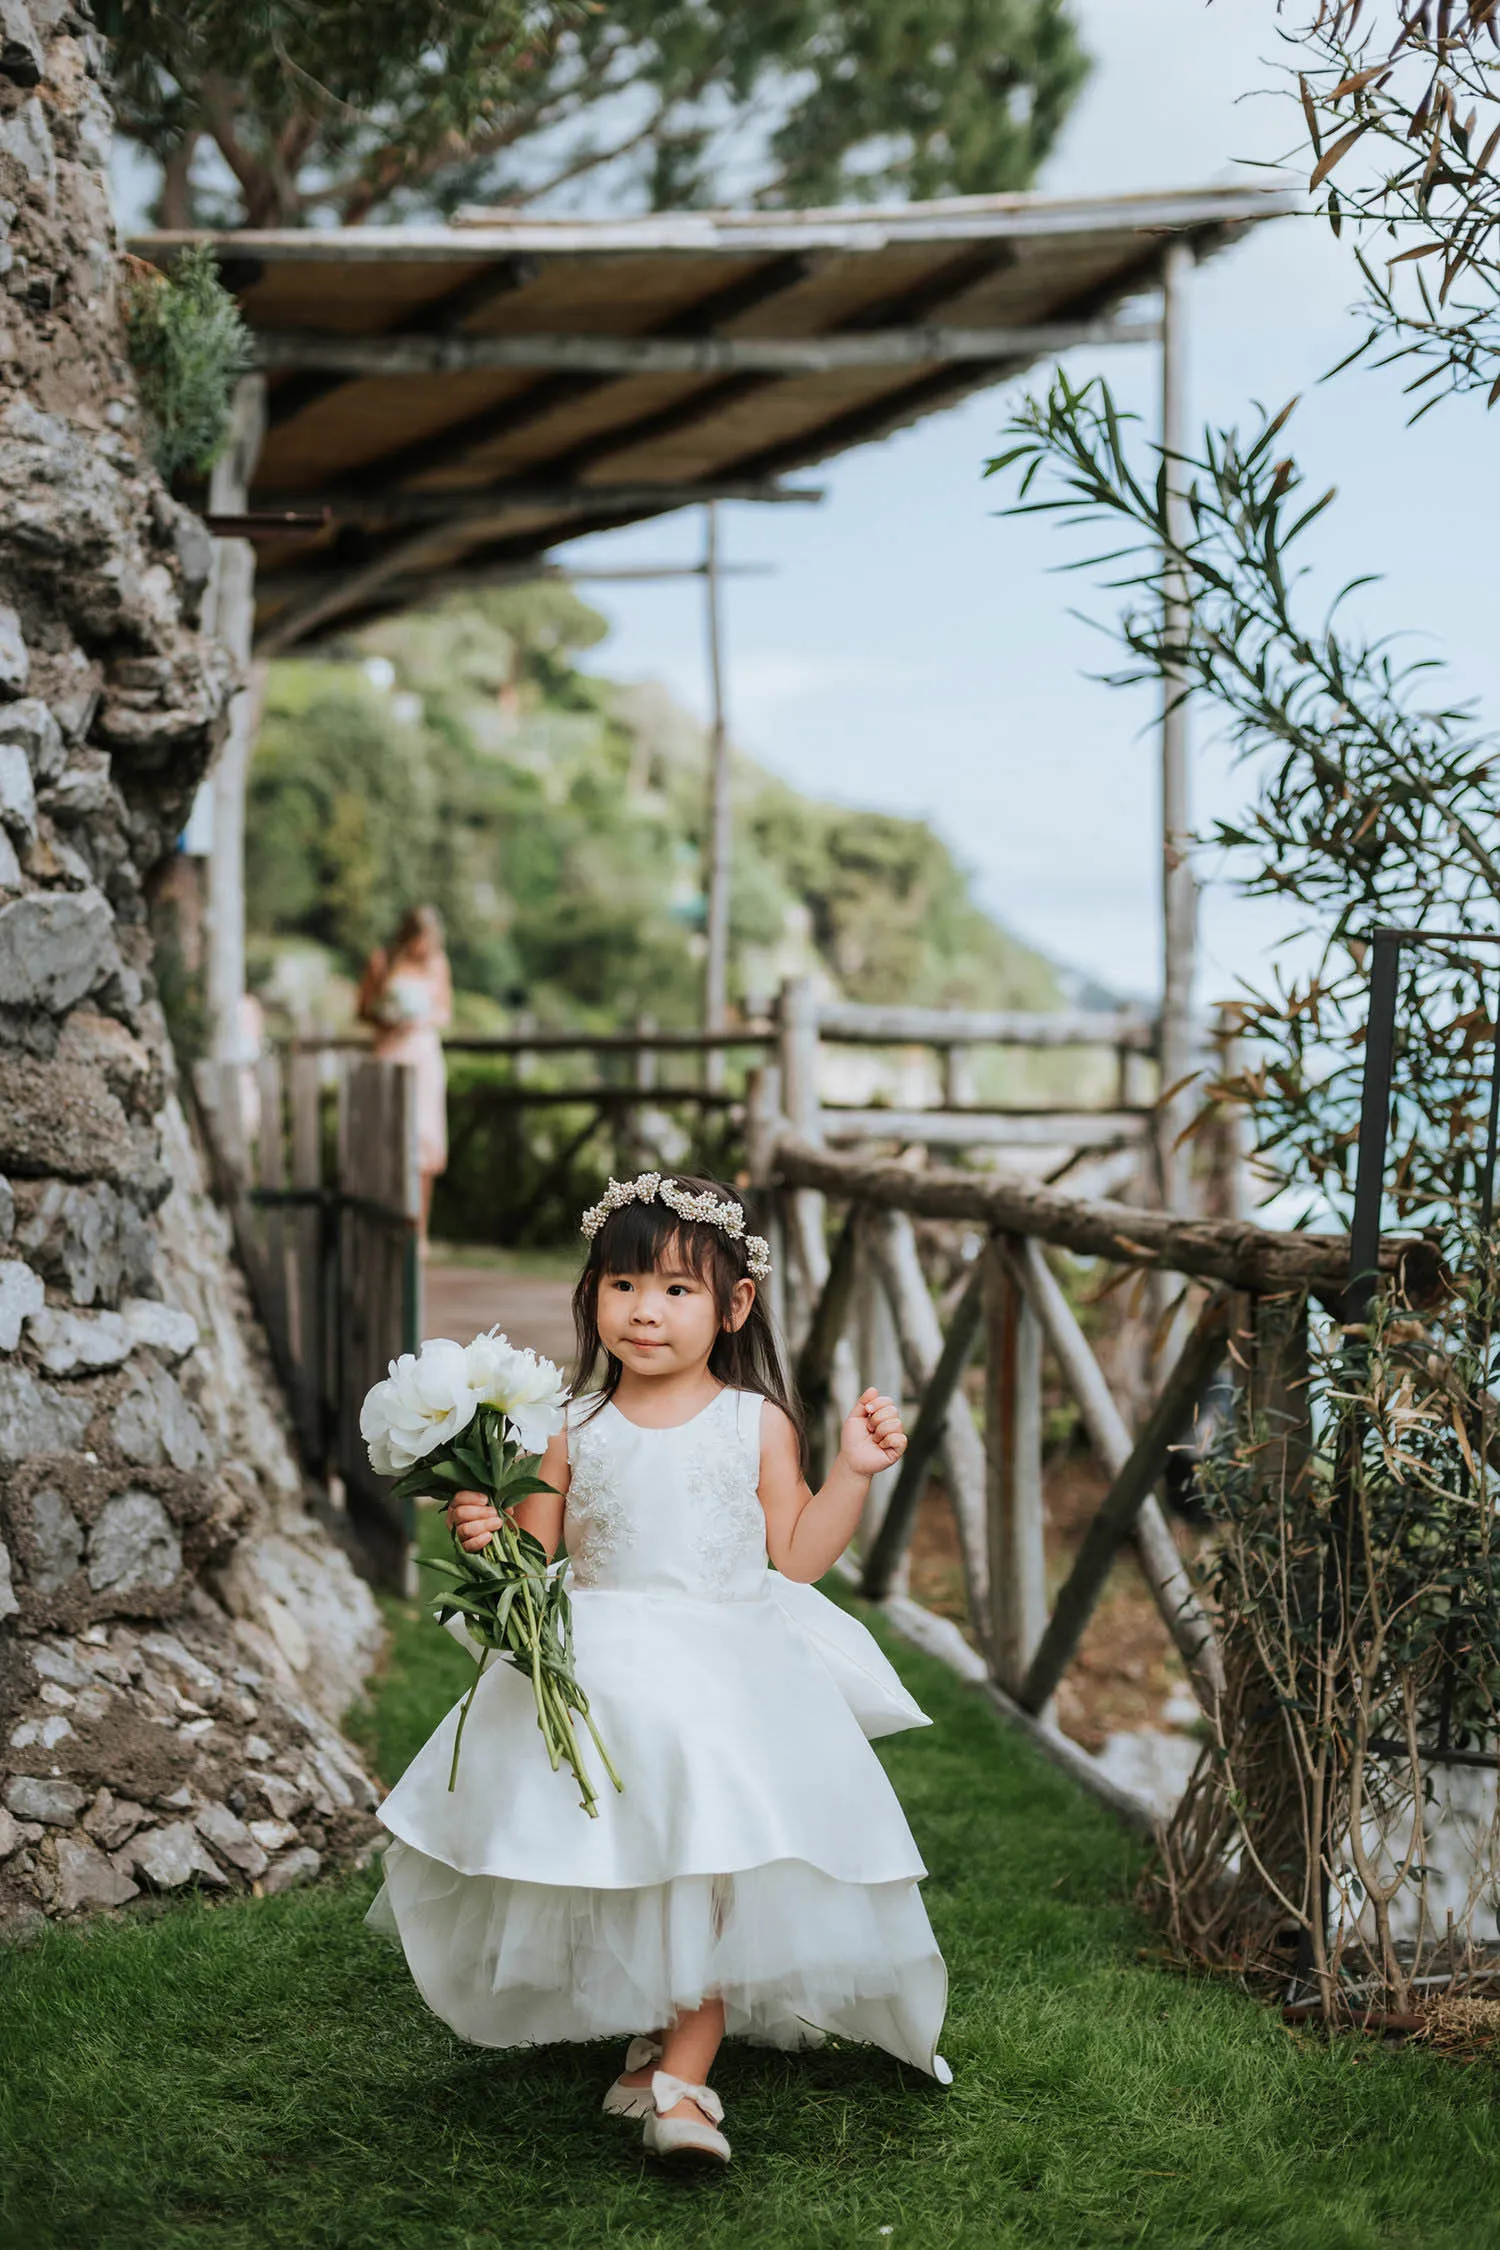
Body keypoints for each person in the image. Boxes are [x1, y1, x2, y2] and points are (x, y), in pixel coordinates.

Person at [366, 1172, 950, 2170]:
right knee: (637, 1853)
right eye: (624, 1284)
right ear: (592, 1294)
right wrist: (482, 1528)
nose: (645, 1310)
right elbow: (534, 1560)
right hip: (608, 1658)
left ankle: (685, 2076)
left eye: (678, 1290)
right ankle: (659, 2036)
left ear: (735, 1306)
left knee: (707, 1839)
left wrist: (851, 1469)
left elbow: (799, 1556)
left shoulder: (753, 1422)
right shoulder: (570, 1425)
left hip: (728, 1667)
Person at [356, 906, 452, 1240]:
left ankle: (420, 1230)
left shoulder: (439, 964)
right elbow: (363, 1009)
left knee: (424, 1144)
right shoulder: (382, 961)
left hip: (423, 1056)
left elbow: (444, 1011)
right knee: (388, 1140)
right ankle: (384, 1224)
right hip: (390, 1052)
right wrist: (389, 1017)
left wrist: (419, 1021)